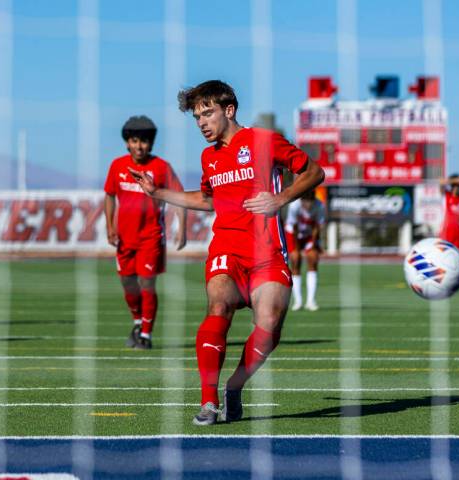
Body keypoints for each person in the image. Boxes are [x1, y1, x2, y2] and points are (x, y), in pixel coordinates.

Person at [129, 80, 324, 425]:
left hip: (268, 253)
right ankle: (208, 402)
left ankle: (235, 386)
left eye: (207, 113)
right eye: (196, 118)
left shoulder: (264, 141)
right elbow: (207, 199)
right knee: (218, 306)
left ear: (229, 110)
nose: (202, 122)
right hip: (227, 251)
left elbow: (314, 172)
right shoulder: (210, 157)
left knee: (269, 323)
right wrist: (157, 192)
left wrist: (280, 199)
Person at [104, 116, 186, 349]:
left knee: (147, 285)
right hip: (124, 238)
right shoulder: (117, 166)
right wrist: (110, 226)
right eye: (135, 141)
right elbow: (109, 195)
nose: (139, 146)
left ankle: (147, 335)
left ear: (151, 144)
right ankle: (138, 322)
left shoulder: (161, 167)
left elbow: (179, 196)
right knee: (128, 284)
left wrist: (182, 227)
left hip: (151, 237)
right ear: (127, 142)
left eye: (144, 142)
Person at [284, 190, 325, 311]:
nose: (307, 205)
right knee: (296, 259)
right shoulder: (294, 206)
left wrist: (313, 245)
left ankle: (310, 301)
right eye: (304, 202)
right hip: (293, 234)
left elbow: (317, 227)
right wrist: (296, 249)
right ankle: (298, 301)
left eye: (309, 202)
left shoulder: (320, 206)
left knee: (313, 257)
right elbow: (295, 227)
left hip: (308, 235)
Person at [439, 173, 459, 251]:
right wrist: (456, 180)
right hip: (445, 233)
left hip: (458, 234)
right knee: (444, 257)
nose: (456, 187)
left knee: (456, 258)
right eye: (454, 185)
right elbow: (442, 182)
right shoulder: (446, 196)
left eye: (458, 185)